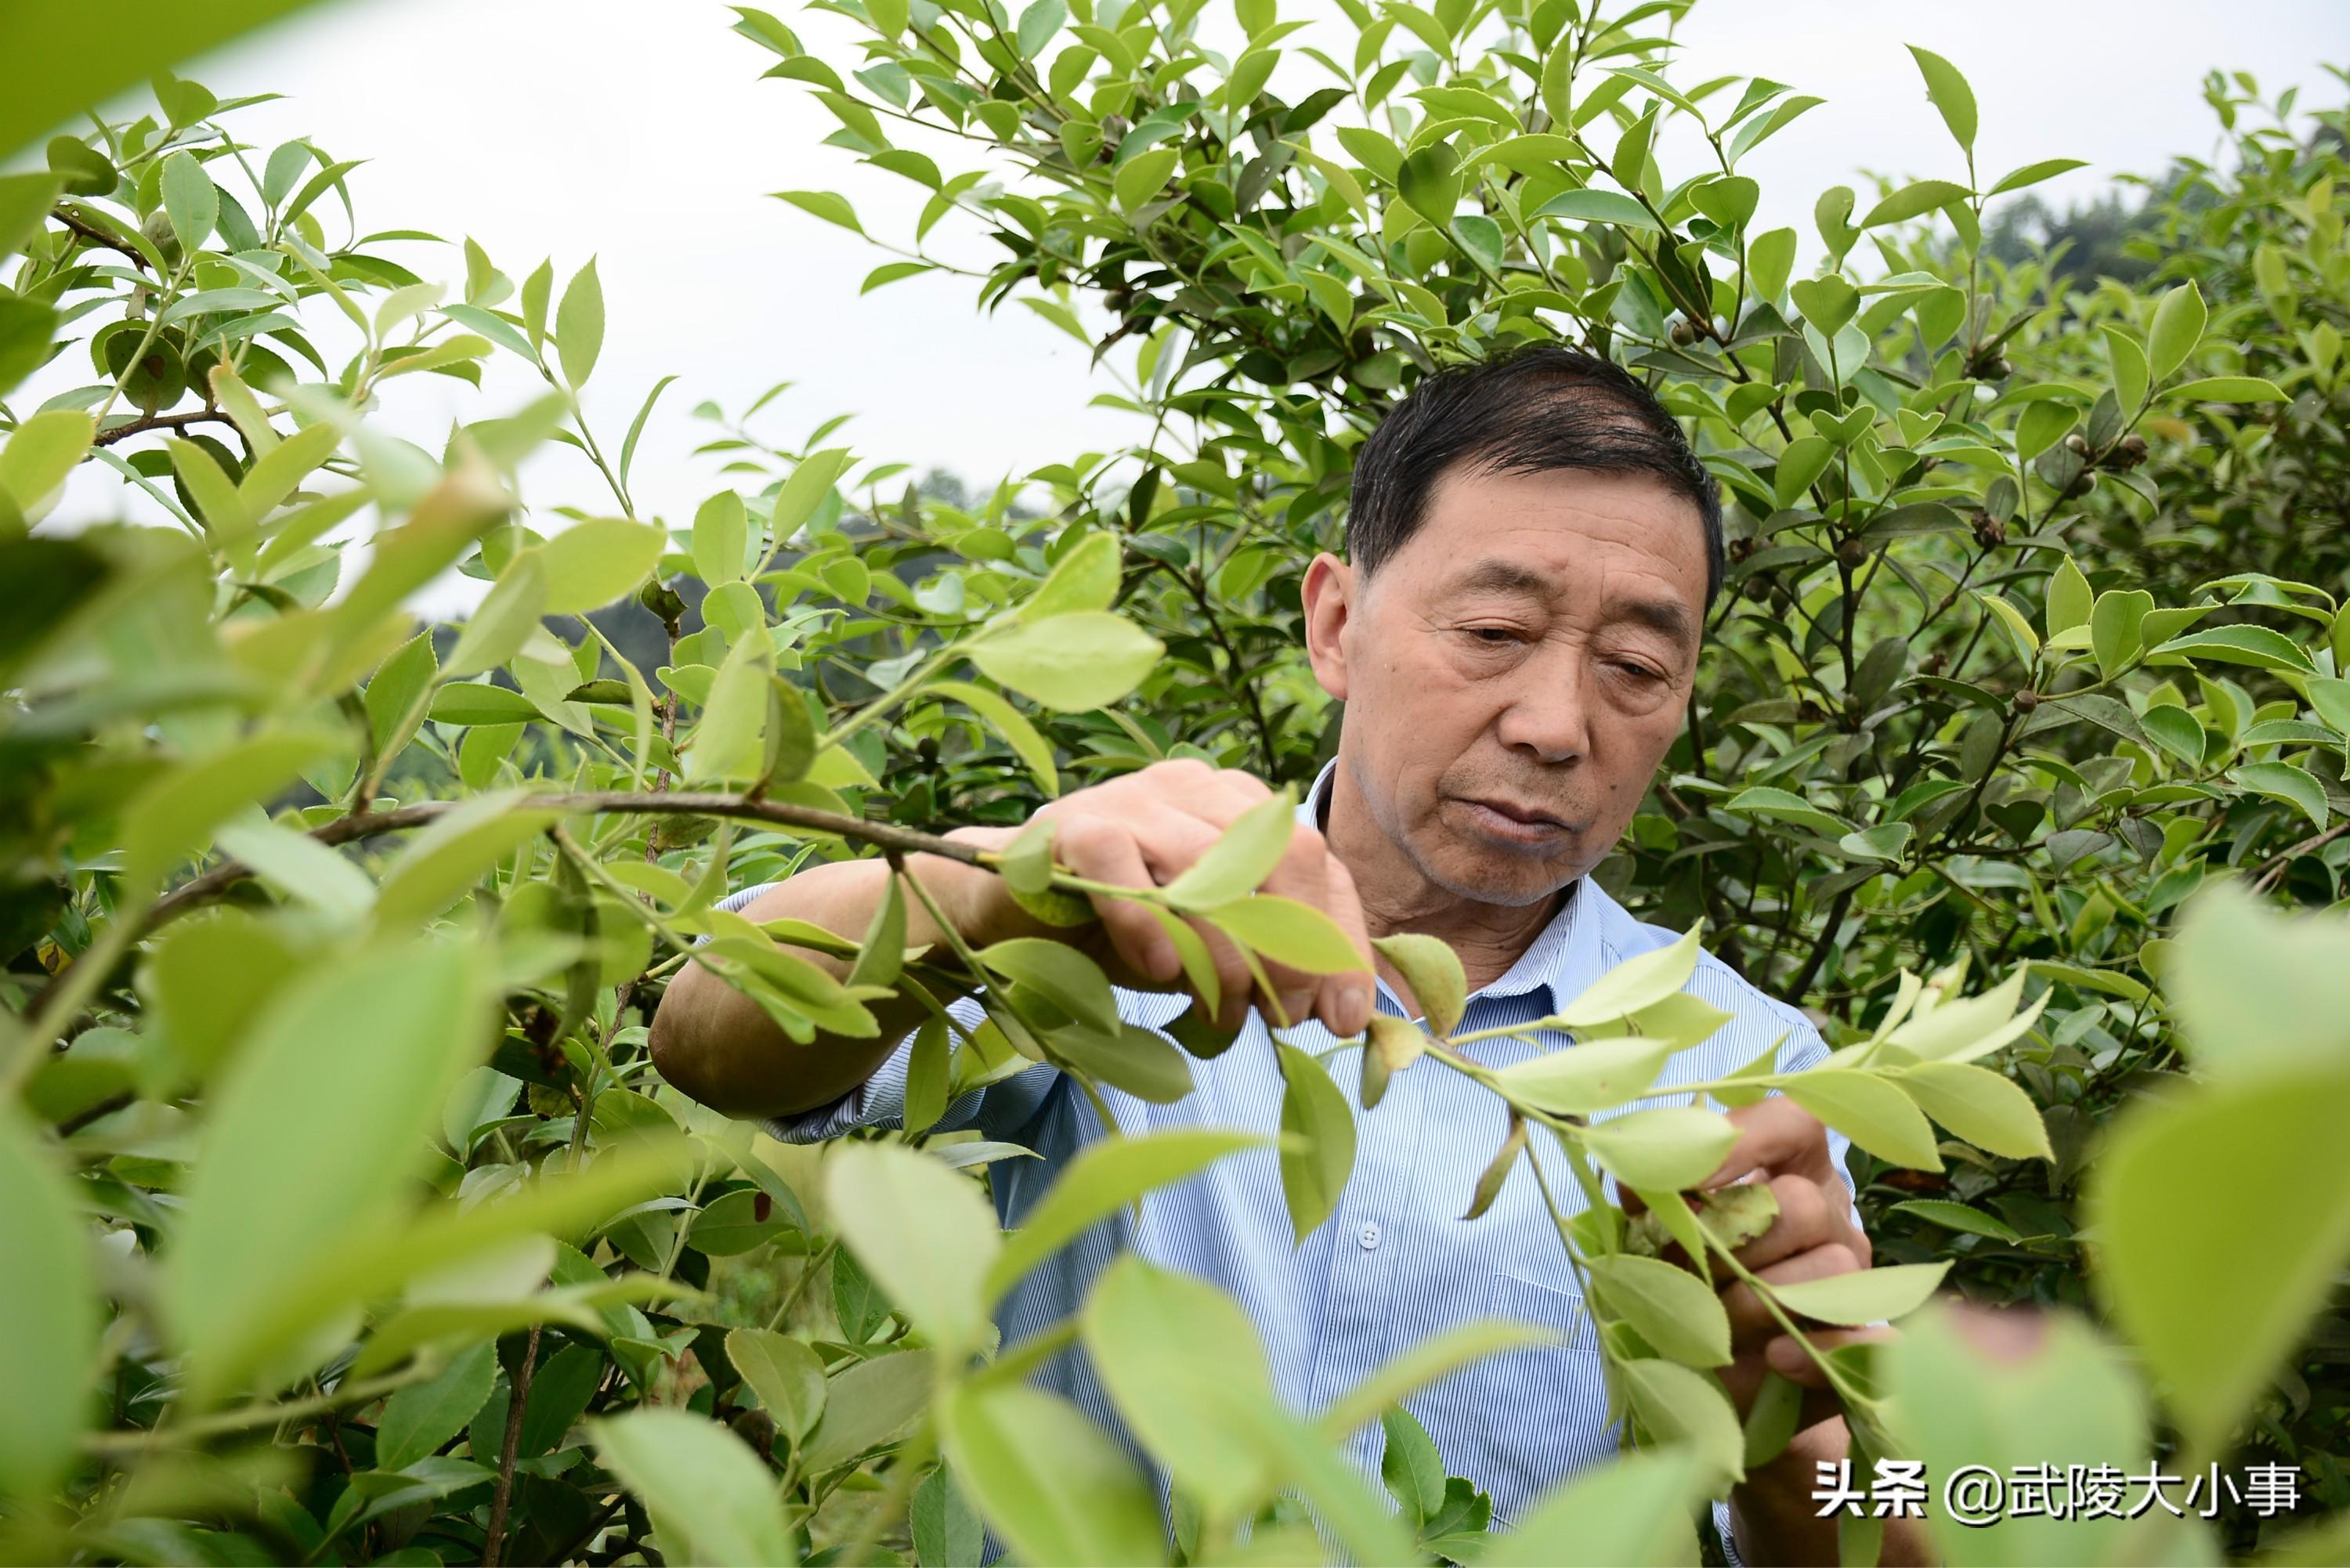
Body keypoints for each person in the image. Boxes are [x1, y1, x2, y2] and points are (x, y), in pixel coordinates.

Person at [653, 345, 1928, 1566]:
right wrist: (990, 891)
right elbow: (710, 1032)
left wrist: (1787, 1423)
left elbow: (1875, 1533)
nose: (1554, 724)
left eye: (1638, 666)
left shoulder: (1752, 1066)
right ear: (1335, 622)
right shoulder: (1108, 907)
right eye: (1491, 631)